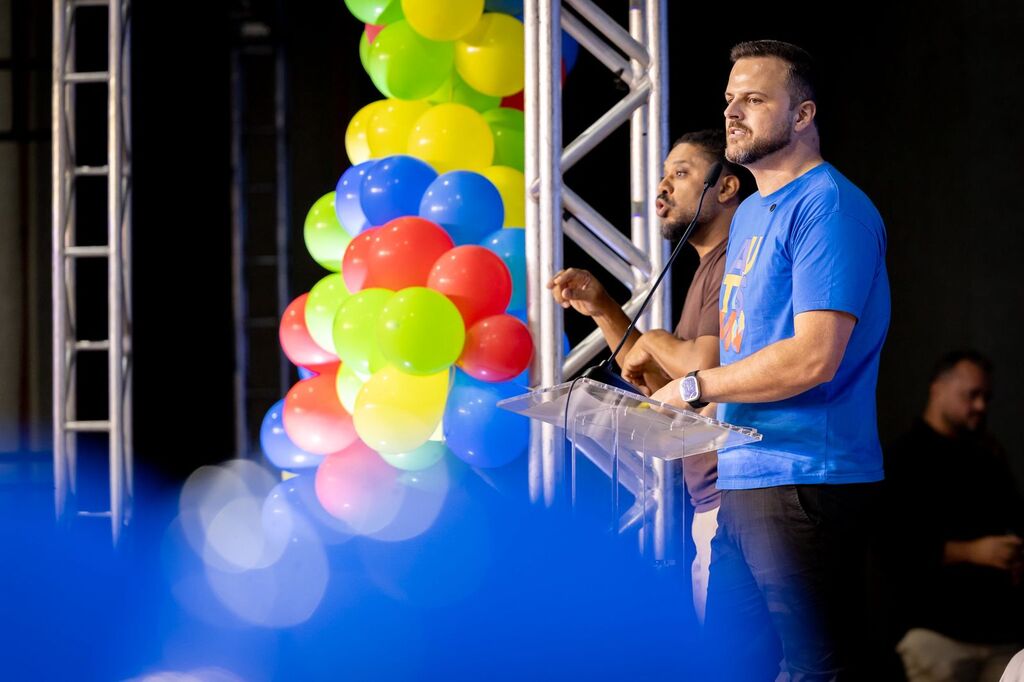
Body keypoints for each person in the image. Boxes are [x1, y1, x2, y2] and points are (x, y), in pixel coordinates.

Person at [651, 40, 891, 680]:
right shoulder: (752, 211)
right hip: (743, 476)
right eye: (730, 99)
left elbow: (814, 357)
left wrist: (696, 386)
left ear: (803, 114)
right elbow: (747, 345)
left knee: (821, 672)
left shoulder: (828, 205)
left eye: (754, 99)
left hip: (807, 477)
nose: (733, 112)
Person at [547, 129, 751, 623]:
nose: (662, 187)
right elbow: (668, 384)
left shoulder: (733, 260)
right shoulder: (705, 267)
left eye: (680, 173)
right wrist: (603, 307)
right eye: (662, 176)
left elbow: (703, 368)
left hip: (734, 499)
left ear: (725, 187)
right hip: (709, 500)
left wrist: (657, 340)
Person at [885, 351, 1024, 682]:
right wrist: (974, 551)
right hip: (935, 635)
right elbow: (895, 547)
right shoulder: (905, 457)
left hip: (1000, 634)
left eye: (986, 397)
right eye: (971, 395)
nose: (980, 406)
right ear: (938, 389)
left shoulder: (988, 454)